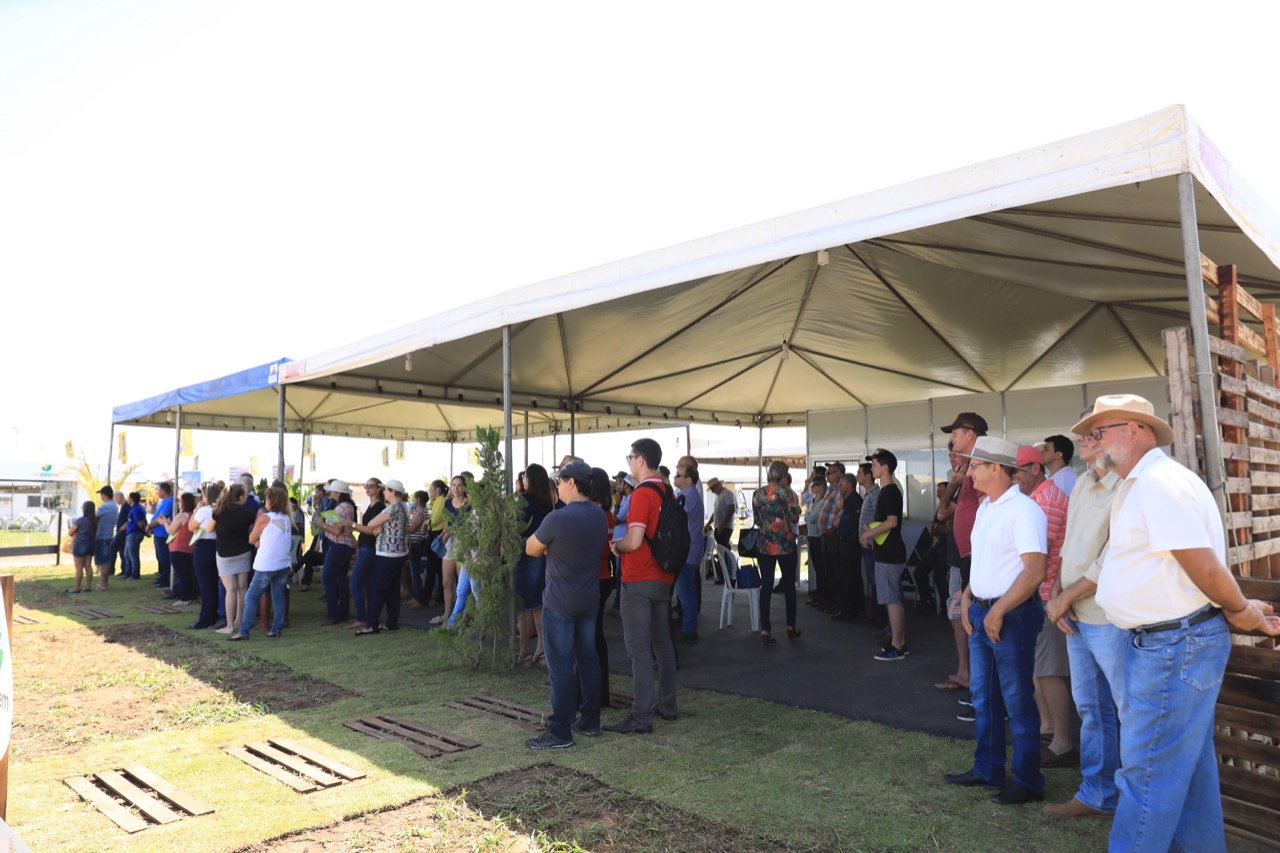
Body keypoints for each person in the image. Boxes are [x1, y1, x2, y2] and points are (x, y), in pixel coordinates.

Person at [1072, 394, 1280, 850]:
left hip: (1171, 647)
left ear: (1137, 430)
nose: (1092, 441)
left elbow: (1201, 564)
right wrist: (1235, 606)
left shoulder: (1156, 483)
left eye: (1100, 431)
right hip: (1172, 644)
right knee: (1186, 773)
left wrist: (1239, 608)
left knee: (1147, 776)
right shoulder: (1144, 482)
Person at [945, 436, 1047, 806]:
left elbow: (1035, 571)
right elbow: (987, 561)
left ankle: (1028, 780)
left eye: (975, 465)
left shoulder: (1024, 510)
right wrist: (971, 595)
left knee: (1017, 699)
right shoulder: (988, 507)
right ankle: (988, 767)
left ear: (996, 469)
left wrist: (998, 610)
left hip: (1011, 616)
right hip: (986, 611)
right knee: (984, 697)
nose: (968, 472)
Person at [1042, 408, 1124, 819]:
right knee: (1092, 709)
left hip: (1110, 620)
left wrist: (1061, 599)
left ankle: (1131, 797)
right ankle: (1098, 793)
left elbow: (1112, 560)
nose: (1086, 440)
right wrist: (1057, 590)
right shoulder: (1081, 484)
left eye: (1094, 432)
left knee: (1126, 711)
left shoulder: (1127, 487)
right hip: (1075, 615)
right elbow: (1068, 546)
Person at [524, 459, 609, 749]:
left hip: (560, 600)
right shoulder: (598, 515)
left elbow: (531, 548)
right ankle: (590, 719)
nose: (556, 486)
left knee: (560, 664)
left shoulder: (558, 518)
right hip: (589, 597)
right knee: (588, 658)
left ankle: (560, 729)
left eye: (559, 481)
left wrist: (551, 547)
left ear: (571, 482)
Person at [605, 438, 678, 734]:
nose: (628, 463)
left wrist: (616, 547)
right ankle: (668, 704)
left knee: (638, 649)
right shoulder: (666, 490)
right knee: (662, 644)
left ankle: (640, 715)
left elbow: (634, 541)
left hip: (639, 578)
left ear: (640, 460)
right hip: (663, 576)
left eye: (629, 457)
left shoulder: (642, 495)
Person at [1012, 445, 1074, 767]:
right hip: (1042, 593)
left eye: (1020, 471)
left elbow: (1041, 550)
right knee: (1039, 670)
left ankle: (1062, 742)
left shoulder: (1046, 499)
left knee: (1049, 672)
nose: (1015, 478)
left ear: (1036, 469)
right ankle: (1049, 728)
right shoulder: (1039, 498)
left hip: (1048, 594)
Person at [936, 412, 988, 695]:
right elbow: (943, 513)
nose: (952, 442)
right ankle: (973, 681)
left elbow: (990, 505)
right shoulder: (967, 473)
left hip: (976, 557)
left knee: (974, 619)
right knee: (964, 615)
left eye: (954, 434)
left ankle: (982, 689)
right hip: (966, 557)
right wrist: (954, 485)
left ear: (970, 434)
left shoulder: (981, 466)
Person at [861, 449, 908, 660]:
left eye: (874, 465)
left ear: (885, 467)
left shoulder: (889, 491)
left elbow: (892, 522)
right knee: (891, 598)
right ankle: (900, 642)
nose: (872, 469)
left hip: (889, 554)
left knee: (892, 599)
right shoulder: (888, 491)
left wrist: (869, 533)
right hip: (887, 552)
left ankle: (897, 645)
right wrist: (873, 527)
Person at [347, 478, 410, 635]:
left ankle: (372, 625)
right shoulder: (403, 507)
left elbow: (370, 524)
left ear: (393, 492)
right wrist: (378, 527)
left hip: (387, 552)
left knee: (375, 588)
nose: (384, 492)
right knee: (393, 589)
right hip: (400, 552)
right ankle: (391, 623)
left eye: (387, 490)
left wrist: (372, 527)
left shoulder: (392, 508)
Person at [230, 486, 293, 640]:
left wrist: (259, 543)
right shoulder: (286, 518)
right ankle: (276, 629)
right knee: (278, 595)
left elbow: (251, 539)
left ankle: (244, 631)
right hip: (283, 563)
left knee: (251, 596)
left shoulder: (265, 518)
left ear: (271, 501)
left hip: (266, 564)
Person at [753, 459, 801, 647]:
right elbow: (794, 517)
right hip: (785, 544)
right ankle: (791, 627)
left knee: (766, 586)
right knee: (789, 585)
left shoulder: (758, 493)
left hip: (764, 544)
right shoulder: (787, 493)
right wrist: (796, 509)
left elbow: (757, 519)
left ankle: (765, 630)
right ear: (782, 474)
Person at [515, 464, 553, 663]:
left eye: (525, 476)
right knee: (538, 603)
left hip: (525, 554)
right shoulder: (548, 502)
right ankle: (541, 646)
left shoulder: (525, 502)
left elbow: (517, 527)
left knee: (525, 605)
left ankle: (525, 649)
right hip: (542, 553)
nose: (523, 480)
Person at [210, 483, 256, 634]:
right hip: (243, 551)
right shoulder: (248, 513)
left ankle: (229, 625)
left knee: (230, 589)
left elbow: (209, 529)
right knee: (242, 588)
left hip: (224, 553)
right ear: (240, 497)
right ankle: (239, 621)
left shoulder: (219, 511)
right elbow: (252, 529)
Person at [589, 467, 618, 708]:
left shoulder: (594, 512)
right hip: (603, 576)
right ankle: (600, 694)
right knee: (597, 638)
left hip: (594, 579)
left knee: (591, 640)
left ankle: (594, 695)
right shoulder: (607, 513)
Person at [432, 475, 471, 626]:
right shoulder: (448, 503)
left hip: (464, 543)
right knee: (446, 582)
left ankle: (464, 615)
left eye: (459, 485)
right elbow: (447, 522)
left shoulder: (469, 505)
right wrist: (444, 533)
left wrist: (453, 531)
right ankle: (447, 613)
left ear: (464, 487)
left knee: (463, 584)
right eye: (453, 485)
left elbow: (470, 527)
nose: (456, 488)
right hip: (449, 542)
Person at [673, 459, 705, 642]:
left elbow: (676, 520)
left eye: (678, 475)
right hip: (689, 548)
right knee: (686, 590)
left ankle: (690, 627)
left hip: (687, 550)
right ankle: (688, 623)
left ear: (688, 480)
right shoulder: (687, 494)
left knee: (685, 591)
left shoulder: (689, 496)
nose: (675, 477)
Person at [347, 478, 385, 631]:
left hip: (369, 548)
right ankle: (367, 616)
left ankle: (362, 617)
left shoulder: (378, 507)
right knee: (366, 584)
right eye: (366, 486)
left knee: (355, 583)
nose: (367, 488)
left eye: (371, 486)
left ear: (378, 489)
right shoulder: (372, 506)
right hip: (365, 546)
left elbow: (372, 530)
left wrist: (353, 525)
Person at [319, 480, 357, 625]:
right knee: (340, 579)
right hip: (344, 545)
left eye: (333, 491)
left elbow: (337, 530)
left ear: (338, 493)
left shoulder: (341, 507)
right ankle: (342, 612)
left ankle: (333, 613)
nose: (331, 494)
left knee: (327, 577)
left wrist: (322, 525)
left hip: (338, 545)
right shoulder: (347, 506)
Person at [190, 482, 222, 629]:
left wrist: (196, 509)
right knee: (215, 583)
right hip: (217, 546)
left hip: (204, 545)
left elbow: (191, 526)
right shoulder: (221, 508)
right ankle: (215, 615)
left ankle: (206, 618)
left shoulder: (204, 511)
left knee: (205, 585)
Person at [162, 491, 198, 605]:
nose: (178, 503)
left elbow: (170, 531)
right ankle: (190, 595)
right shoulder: (193, 515)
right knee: (187, 574)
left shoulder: (181, 515)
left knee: (182, 575)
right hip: (189, 548)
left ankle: (184, 598)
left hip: (178, 548)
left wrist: (164, 523)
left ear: (183, 503)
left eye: (180, 501)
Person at [147, 481, 174, 591]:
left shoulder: (169, 501)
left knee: (164, 557)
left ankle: (166, 579)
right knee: (160, 557)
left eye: (158, 490)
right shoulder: (163, 501)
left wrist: (149, 526)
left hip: (163, 534)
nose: (157, 492)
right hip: (158, 534)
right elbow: (157, 516)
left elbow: (161, 517)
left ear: (163, 491)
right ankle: (162, 576)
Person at [67, 500, 97, 593]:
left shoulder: (80, 520)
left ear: (84, 509)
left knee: (79, 566)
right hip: (91, 544)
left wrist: (76, 534)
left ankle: (76, 588)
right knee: (88, 565)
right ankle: (88, 587)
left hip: (80, 544)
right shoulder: (95, 521)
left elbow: (70, 532)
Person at [93, 486, 120, 590]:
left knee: (103, 560)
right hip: (108, 534)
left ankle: (103, 583)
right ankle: (104, 582)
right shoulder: (114, 505)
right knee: (105, 559)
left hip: (102, 536)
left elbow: (93, 517)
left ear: (104, 495)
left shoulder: (104, 507)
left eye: (101, 494)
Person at [123, 491, 148, 582]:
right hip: (130, 534)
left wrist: (145, 531)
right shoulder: (134, 508)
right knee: (127, 554)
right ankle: (127, 572)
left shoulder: (136, 509)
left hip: (134, 534)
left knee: (133, 555)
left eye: (128, 498)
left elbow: (140, 523)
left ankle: (135, 574)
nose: (127, 500)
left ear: (132, 500)